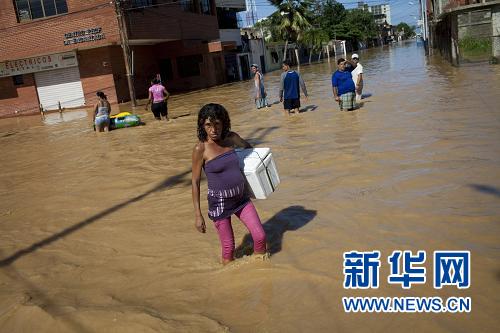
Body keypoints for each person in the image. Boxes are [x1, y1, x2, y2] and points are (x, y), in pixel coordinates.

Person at [191, 103, 267, 265]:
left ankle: (262, 272)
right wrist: (198, 215)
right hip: (220, 203)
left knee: (260, 237)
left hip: (241, 198)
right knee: (229, 249)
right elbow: (195, 181)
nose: (213, 129)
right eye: (208, 125)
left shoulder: (231, 138)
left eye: (217, 124)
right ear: (202, 126)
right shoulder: (201, 149)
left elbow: (249, 150)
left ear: (224, 122)